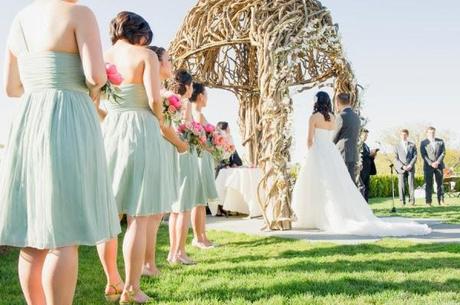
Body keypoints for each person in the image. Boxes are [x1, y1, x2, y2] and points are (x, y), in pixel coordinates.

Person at [0, 1, 120, 304]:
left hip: (30, 118)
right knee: (63, 230)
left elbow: (12, 88)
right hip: (67, 116)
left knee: (34, 231)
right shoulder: (80, 13)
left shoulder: (20, 19)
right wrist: (91, 89)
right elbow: (95, 76)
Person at [102, 12, 171, 303]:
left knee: (107, 213)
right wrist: (160, 119)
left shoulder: (102, 55)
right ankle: (132, 288)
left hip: (111, 129)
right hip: (140, 127)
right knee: (138, 216)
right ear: (140, 35)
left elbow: (93, 99)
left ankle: (112, 281)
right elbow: (155, 99)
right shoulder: (146, 55)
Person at [291, 91, 431, 236]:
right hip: (331, 153)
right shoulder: (333, 117)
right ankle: (337, 213)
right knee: (338, 184)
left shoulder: (315, 117)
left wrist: (310, 153)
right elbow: (331, 136)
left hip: (320, 152)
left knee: (317, 184)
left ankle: (316, 215)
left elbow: (309, 140)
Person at [144, 46, 188, 276]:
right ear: (157, 63)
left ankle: (148, 263)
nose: (170, 64)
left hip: (162, 149)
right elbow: (163, 126)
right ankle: (147, 264)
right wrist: (181, 145)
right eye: (168, 60)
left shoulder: (157, 92)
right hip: (158, 148)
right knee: (151, 212)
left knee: (154, 212)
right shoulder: (157, 95)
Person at [168, 69, 204, 265]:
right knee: (184, 208)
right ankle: (180, 252)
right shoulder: (186, 104)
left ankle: (172, 252)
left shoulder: (169, 101)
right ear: (188, 87)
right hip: (185, 154)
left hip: (172, 153)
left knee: (175, 209)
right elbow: (186, 127)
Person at [191, 83, 218, 248]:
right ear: (200, 96)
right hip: (201, 158)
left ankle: (202, 236)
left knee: (201, 202)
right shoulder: (198, 115)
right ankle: (198, 238)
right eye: (206, 94)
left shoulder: (197, 113)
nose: (207, 98)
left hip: (203, 157)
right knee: (198, 200)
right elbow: (201, 142)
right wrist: (216, 145)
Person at [332, 93, 361, 183]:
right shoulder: (356, 117)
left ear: (337, 103)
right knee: (350, 181)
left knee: (343, 182)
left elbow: (333, 138)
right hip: (352, 154)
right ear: (349, 101)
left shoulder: (341, 116)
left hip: (342, 153)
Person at [420, 127, 446, 205]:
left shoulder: (440, 141)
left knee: (440, 184)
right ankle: (428, 202)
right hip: (428, 166)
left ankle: (441, 201)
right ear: (427, 133)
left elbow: (443, 152)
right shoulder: (423, 142)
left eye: (433, 132)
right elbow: (423, 155)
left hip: (439, 165)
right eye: (430, 132)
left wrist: (437, 162)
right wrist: (431, 163)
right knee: (428, 184)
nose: (432, 134)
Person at [394, 129, 417, 205]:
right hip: (401, 169)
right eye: (402, 135)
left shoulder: (412, 145)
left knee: (411, 185)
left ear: (407, 135)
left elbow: (415, 156)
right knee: (401, 185)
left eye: (405, 135)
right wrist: (402, 166)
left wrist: (410, 165)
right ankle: (402, 201)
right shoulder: (397, 146)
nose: (403, 136)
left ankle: (412, 201)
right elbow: (396, 158)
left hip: (410, 168)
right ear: (400, 136)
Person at [358, 129, 378, 202]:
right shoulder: (358, 144)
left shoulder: (366, 145)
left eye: (367, 135)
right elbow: (360, 156)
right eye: (365, 135)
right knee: (361, 188)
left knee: (366, 188)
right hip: (361, 170)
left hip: (368, 170)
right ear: (360, 134)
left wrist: (373, 155)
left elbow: (368, 157)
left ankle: (366, 204)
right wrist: (369, 154)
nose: (366, 137)